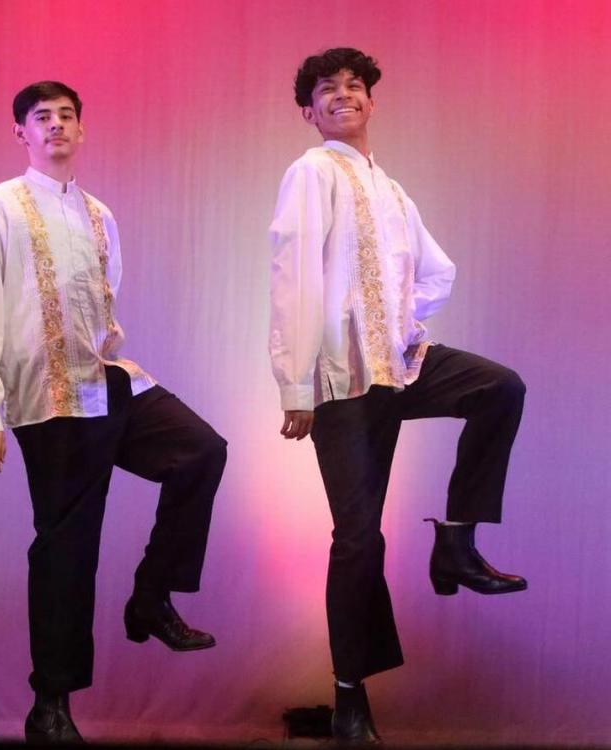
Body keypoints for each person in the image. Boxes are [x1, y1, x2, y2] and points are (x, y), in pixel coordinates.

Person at [269, 49, 527, 743]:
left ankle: (458, 540)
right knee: (358, 538)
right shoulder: (312, 172)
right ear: (309, 110)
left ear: (372, 103)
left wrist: (398, 322)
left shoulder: (392, 190)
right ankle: (350, 696)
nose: (345, 96)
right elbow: (293, 277)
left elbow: (437, 269)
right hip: (338, 382)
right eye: (329, 90)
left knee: (498, 387)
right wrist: (296, 385)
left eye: (356, 87)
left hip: (400, 365)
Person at [0, 81, 227, 743]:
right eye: (40, 118)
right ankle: (50, 704)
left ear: (82, 130)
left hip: (106, 381)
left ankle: (151, 595)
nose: (55, 126)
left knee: (201, 450)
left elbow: (102, 307)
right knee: (66, 548)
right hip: (45, 399)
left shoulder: (100, 213)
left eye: (66, 116)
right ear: (20, 133)